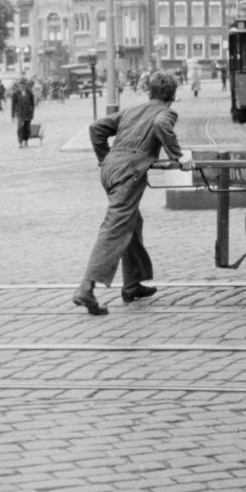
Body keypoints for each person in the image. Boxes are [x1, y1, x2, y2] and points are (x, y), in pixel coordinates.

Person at [73, 70, 185, 317]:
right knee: (115, 226)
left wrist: (106, 159)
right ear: (173, 96)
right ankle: (86, 288)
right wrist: (178, 156)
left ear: (150, 92)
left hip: (111, 169)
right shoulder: (165, 112)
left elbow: (96, 129)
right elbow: (160, 125)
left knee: (132, 221)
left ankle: (132, 284)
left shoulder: (132, 110)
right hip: (129, 172)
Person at [10, 78, 37, 148]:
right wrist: (12, 116)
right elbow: (13, 105)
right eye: (21, 85)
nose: (22, 86)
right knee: (19, 127)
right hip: (19, 113)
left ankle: (26, 141)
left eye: (24, 85)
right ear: (19, 85)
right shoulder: (15, 94)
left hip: (28, 113)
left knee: (27, 128)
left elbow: (32, 103)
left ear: (26, 85)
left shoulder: (29, 93)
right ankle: (20, 142)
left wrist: (32, 111)